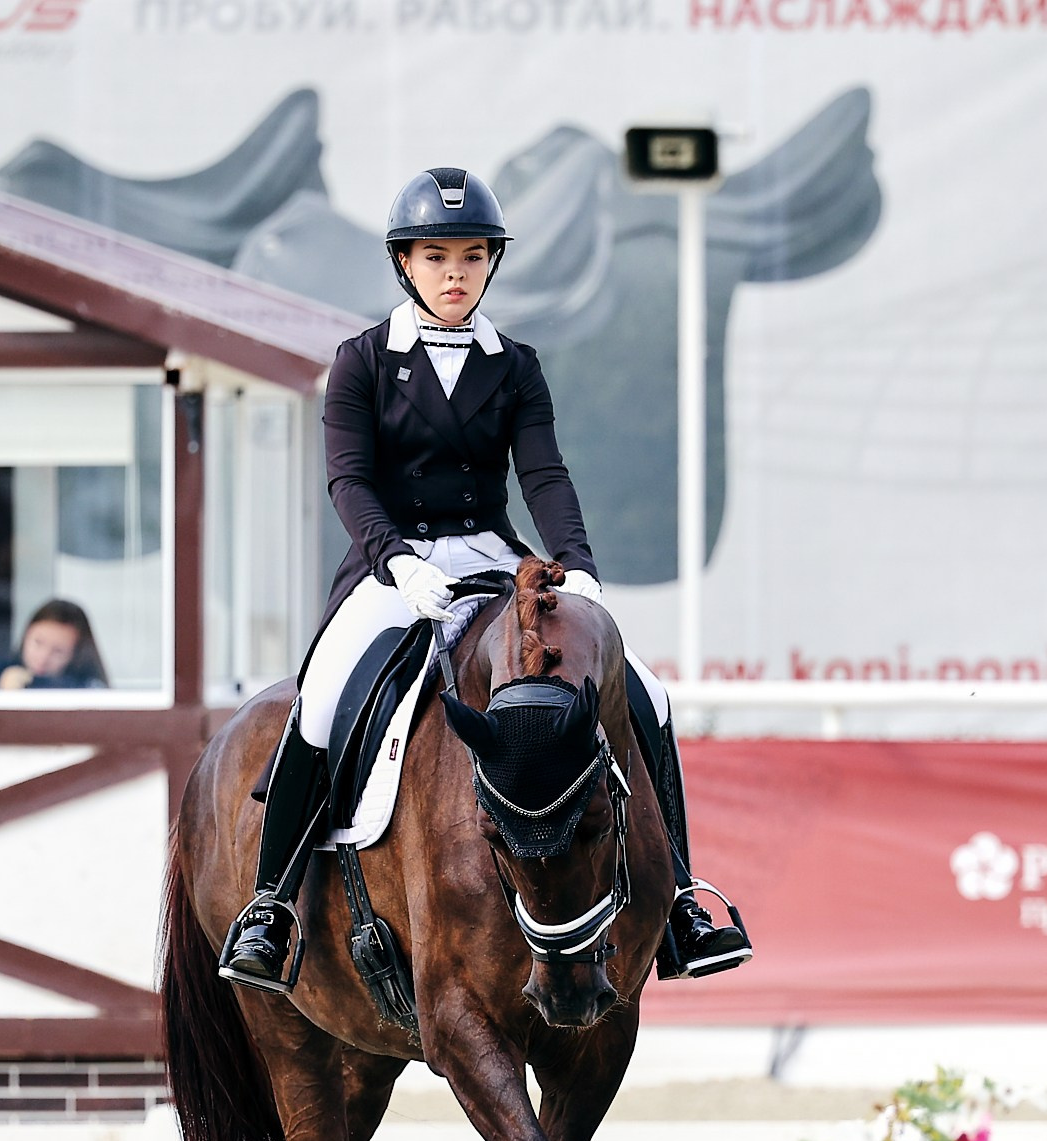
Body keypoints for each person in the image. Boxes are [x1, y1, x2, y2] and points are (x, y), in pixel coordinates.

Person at [217, 166, 752, 992]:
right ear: (405, 264)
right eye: (436, 257)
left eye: (471, 255)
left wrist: (580, 566)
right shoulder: (362, 361)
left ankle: (681, 899)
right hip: (390, 565)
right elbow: (348, 479)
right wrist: (397, 560)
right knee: (321, 696)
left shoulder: (515, 364)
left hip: (493, 560)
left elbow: (543, 474)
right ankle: (272, 903)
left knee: (647, 690)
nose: (455, 273)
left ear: (491, 262)